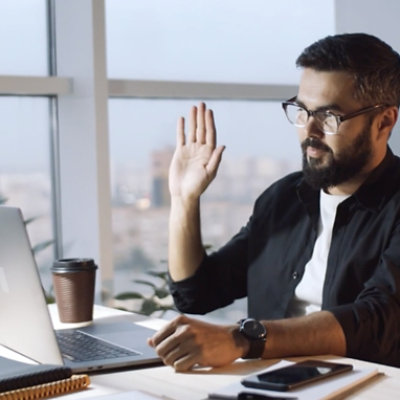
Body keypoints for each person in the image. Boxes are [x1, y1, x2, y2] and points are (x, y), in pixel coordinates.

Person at [147, 33, 400, 371]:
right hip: (268, 383)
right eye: (301, 110)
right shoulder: (283, 199)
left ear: (383, 122)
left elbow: (376, 320)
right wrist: (184, 199)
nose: (309, 130)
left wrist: (242, 339)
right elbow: (197, 293)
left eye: (328, 116)